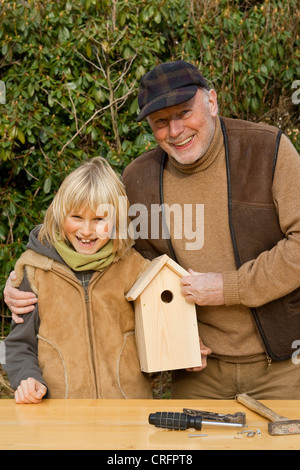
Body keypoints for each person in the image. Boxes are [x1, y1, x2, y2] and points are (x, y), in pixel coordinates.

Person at [4, 61, 300, 399]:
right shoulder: (139, 179)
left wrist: (228, 287)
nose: (175, 131)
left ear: (212, 102)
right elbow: (100, 250)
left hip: (281, 365)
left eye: (185, 112)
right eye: (161, 121)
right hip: (197, 371)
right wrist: (23, 278)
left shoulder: (268, 150)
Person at [2, 157, 152, 403]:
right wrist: (26, 378)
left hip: (128, 413)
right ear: (61, 216)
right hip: (59, 414)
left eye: (99, 219)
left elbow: (159, 335)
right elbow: (16, 345)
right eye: (77, 217)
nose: (86, 231)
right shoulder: (35, 269)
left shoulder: (134, 267)